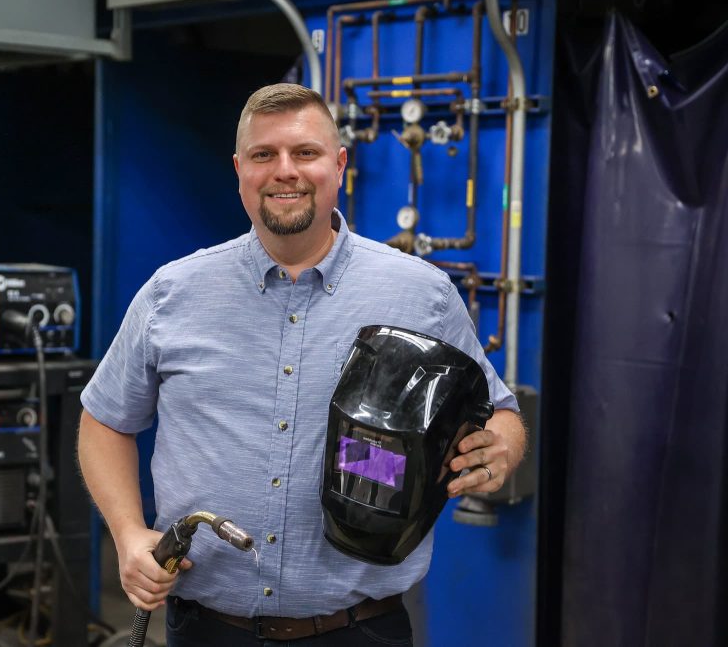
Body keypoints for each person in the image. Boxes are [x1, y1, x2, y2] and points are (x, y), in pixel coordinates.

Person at [78, 83, 526, 646]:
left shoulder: (422, 295)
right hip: (207, 630)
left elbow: (500, 413)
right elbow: (104, 421)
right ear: (240, 169)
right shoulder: (173, 293)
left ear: (339, 165)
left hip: (360, 628)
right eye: (264, 155)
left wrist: (502, 446)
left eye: (305, 153)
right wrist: (126, 533)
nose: (284, 171)